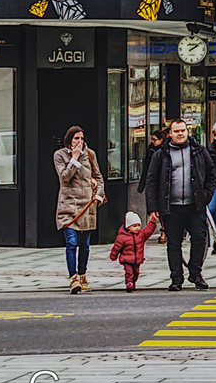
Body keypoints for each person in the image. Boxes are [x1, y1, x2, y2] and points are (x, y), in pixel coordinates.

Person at [143, 118, 214, 292]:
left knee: (199, 238)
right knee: (173, 243)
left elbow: (211, 174)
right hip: (171, 207)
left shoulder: (199, 151)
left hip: (195, 205)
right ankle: (176, 278)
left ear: (187, 131)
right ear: (170, 134)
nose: (180, 133)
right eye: (177, 131)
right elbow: (151, 181)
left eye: (183, 130)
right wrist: (152, 207)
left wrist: (205, 197)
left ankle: (195, 273)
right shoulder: (161, 154)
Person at [54, 126, 106, 294]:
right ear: (69, 139)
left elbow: (99, 177)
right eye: (76, 138)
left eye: (81, 138)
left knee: (85, 245)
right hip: (69, 206)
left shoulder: (90, 154)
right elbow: (64, 178)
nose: (79, 142)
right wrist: (74, 158)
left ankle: (83, 275)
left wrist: (98, 195)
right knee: (71, 243)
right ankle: (73, 277)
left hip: (87, 206)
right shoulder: (60, 155)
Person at [108, 211, 157, 292]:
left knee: (136, 273)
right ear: (128, 227)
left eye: (138, 226)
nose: (137, 228)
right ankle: (129, 282)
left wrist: (152, 222)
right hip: (126, 259)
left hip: (137, 259)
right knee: (129, 272)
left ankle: (133, 282)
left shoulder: (141, 235)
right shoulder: (122, 237)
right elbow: (116, 248)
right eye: (134, 226)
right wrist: (113, 255)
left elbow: (148, 231)